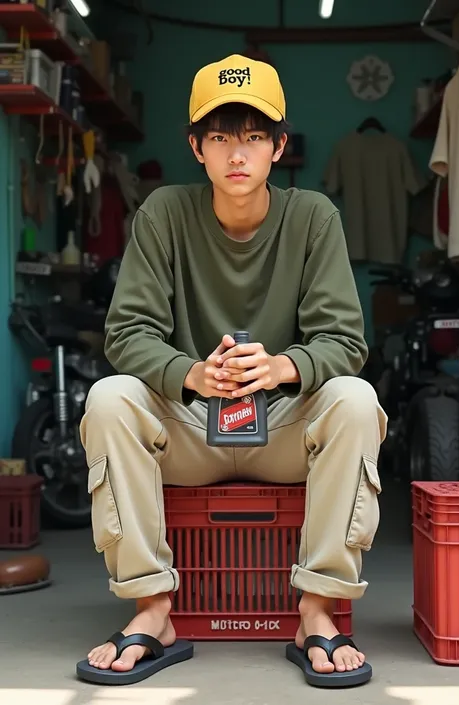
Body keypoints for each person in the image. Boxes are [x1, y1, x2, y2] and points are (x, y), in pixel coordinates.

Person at [76, 54, 387, 689]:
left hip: (283, 433)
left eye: (252, 136)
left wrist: (283, 365)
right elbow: (125, 333)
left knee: (355, 398)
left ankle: (318, 612)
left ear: (278, 145)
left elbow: (345, 340)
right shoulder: (164, 213)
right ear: (196, 146)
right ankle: (153, 610)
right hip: (190, 430)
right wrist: (189, 373)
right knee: (109, 397)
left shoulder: (312, 216)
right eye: (220, 136)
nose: (236, 153)